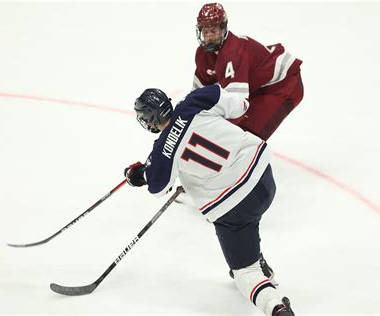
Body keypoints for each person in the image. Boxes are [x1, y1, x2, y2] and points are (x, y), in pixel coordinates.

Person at [124, 85, 295, 316]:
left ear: (148, 119)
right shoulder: (196, 101)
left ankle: (275, 307)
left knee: (245, 272)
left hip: (232, 207)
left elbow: (158, 187)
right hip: (262, 177)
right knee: (249, 220)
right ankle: (257, 257)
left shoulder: (162, 152)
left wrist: (140, 174)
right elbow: (241, 106)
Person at [193, 3, 304, 141]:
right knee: (233, 133)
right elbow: (196, 96)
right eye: (205, 32)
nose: (209, 37)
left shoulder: (232, 53)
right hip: (258, 86)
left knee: (246, 138)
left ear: (223, 28)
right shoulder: (202, 54)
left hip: (284, 84)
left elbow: (237, 106)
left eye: (213, 31)